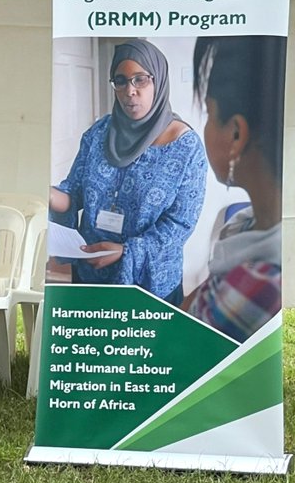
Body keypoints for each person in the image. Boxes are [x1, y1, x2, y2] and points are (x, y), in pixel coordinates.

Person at [49, 39, 207, 305]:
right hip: (92, 274)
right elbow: (73, 191)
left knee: (148, 347)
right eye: (120, 81)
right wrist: (49, 194)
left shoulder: (186, 147)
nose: (129, 91)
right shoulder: (99, 133)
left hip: (149, 283)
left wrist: (127, 252)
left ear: (158, 81)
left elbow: (180, 223)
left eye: (140, 80)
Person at [183, 36, 285, 341]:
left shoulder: (259, 286)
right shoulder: (244, 226)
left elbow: (180, 340)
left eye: (208, 114)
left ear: (237, 134)